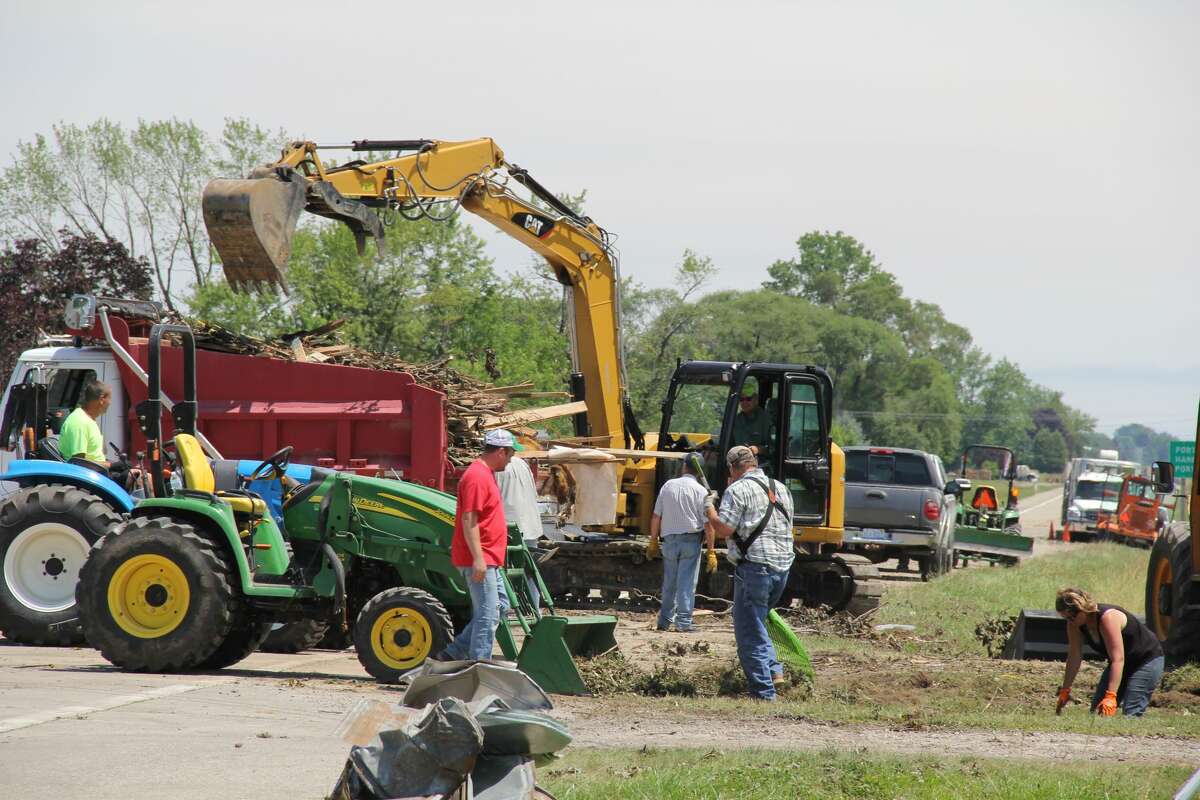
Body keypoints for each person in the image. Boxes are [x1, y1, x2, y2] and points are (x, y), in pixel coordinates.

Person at [704, 445, 795, 700]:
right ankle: (775, 672)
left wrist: (709, 507)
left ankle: (763, 694)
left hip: (756, 568)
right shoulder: (781, 488)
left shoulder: (737, 489)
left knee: (748, 632)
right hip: (782, 568)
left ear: (732, 468)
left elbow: (724, 529)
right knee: (758, 624)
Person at [440, 429, 520, 662]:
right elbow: (469, 519)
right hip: (480, 557)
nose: (511, 459)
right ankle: (479, 665)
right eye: (511, 454)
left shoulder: (486, 474)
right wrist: (478, 558)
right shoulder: (476, 477)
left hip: (489, 557)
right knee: (486, 614)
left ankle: (453, 654)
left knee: (500, 606)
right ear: (501, 451)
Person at [1055, 587, 1164, 717]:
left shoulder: (1108, 618)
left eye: (1071, 617)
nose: (1069, 622)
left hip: (1146, 659)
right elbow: (1074, 656)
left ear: (1082, 610)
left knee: (1131, 711)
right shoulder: (1074, 624)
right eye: (1065, 618)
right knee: (1097, 713)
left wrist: (1111, 696)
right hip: (1122, 662)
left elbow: (1117, 659)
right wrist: (1065, 689)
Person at [647, 457, 714, 632]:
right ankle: (684, 622)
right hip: (691, 541)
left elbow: (656, 516)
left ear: (684, 466)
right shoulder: (701, 491)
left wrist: (653, 540)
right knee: (687, 583)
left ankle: (664, 621)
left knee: (669, 582)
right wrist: (711, 551)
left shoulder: (668, 486)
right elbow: (708, 525)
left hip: (669, 540)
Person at [58, 380, 139, 490]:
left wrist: (116, 465)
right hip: (91, 477)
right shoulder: (80, 422)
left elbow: (93, 457)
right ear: (102, 399)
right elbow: (79, 463)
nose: (110, 403)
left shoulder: (89, 419)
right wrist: (112, 466)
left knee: (139, 472)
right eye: (109, 399)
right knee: (143, 478)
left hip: (99, 472)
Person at [496, 453, 544, 611]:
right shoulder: (522, 464)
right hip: (530, 524)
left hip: (510, 526)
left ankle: (503, 610)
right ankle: (534, 610)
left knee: (501, 570)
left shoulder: (496, 467)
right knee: (530, 571)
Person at [730, 380, 773, 463]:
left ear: (755, 399)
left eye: (748, 399)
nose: (744, 402)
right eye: (742, 399)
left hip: (759, 464)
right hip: (737, 461)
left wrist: (758, 449)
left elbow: (774, 448)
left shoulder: (766, 419)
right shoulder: (736, 420)